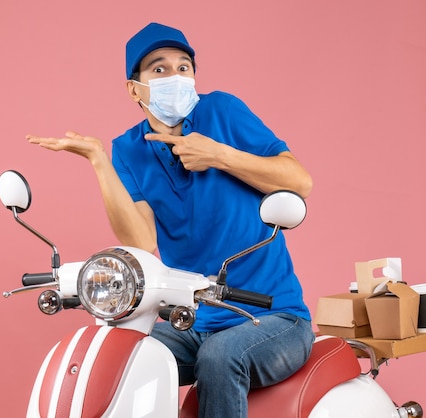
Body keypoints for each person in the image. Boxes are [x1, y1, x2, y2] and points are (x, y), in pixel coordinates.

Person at [26, 22, 315, 418]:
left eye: (184, 68)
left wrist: (218, 155)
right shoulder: (127, 149)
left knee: (219, 357)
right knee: (119, 351)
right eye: (159, 70)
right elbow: (141, 241)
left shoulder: (222, 112)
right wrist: (98, 160)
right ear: (135, 88)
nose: (175, 77)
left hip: (273, 317)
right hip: (193, 320)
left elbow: (300, 181)